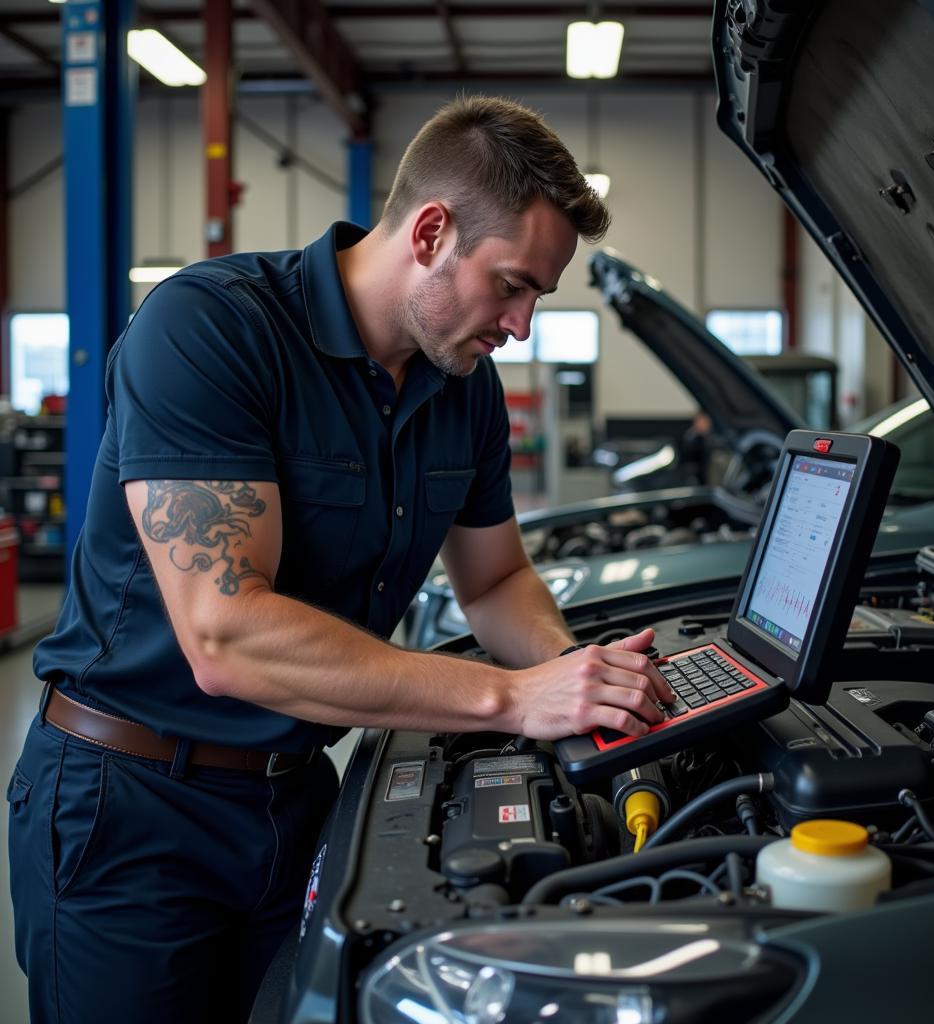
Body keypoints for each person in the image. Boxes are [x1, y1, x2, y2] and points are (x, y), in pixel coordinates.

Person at [7, 95, 672, 1023]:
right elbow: (225, 634)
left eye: (538, 298)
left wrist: (573, 676)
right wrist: (513, 699)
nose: (521, 326)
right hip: (132, 808)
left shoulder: (461, 388)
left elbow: (496, 580)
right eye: (513, 285)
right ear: (433, 231)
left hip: (296, 803)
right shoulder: (212, 331)